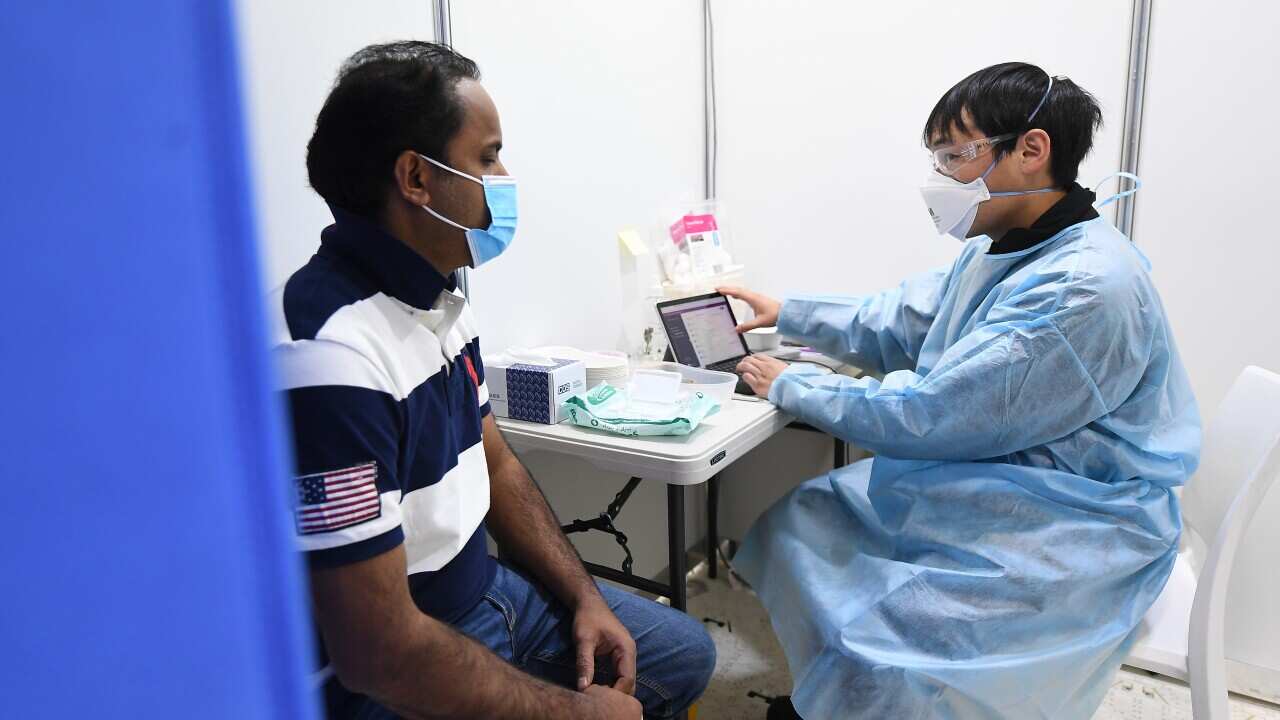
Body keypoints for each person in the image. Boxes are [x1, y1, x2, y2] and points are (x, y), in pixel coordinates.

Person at [720, 62, 1201, 719]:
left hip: (1078, 520)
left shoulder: (1082, 286)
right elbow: (907, 320)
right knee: (809, 519)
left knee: (888, 622)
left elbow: (935, 411)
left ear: (1031, 151)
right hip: (1009, 485)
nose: (940, 179)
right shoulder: (1008, 247)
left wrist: (794, 385)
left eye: (956, 156)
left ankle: (876, 693)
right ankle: (838, 700)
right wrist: (791, 312)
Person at [270, 41, 715, 720]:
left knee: (682, 654)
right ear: (416, 178)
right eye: (486, 157)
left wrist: (584, 596)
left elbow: (497, 462)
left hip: (488, 590)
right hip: (395, 661)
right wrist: (575, 714)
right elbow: (377, 653)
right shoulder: (330, 354)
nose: (503, 177)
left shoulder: (439, 299)